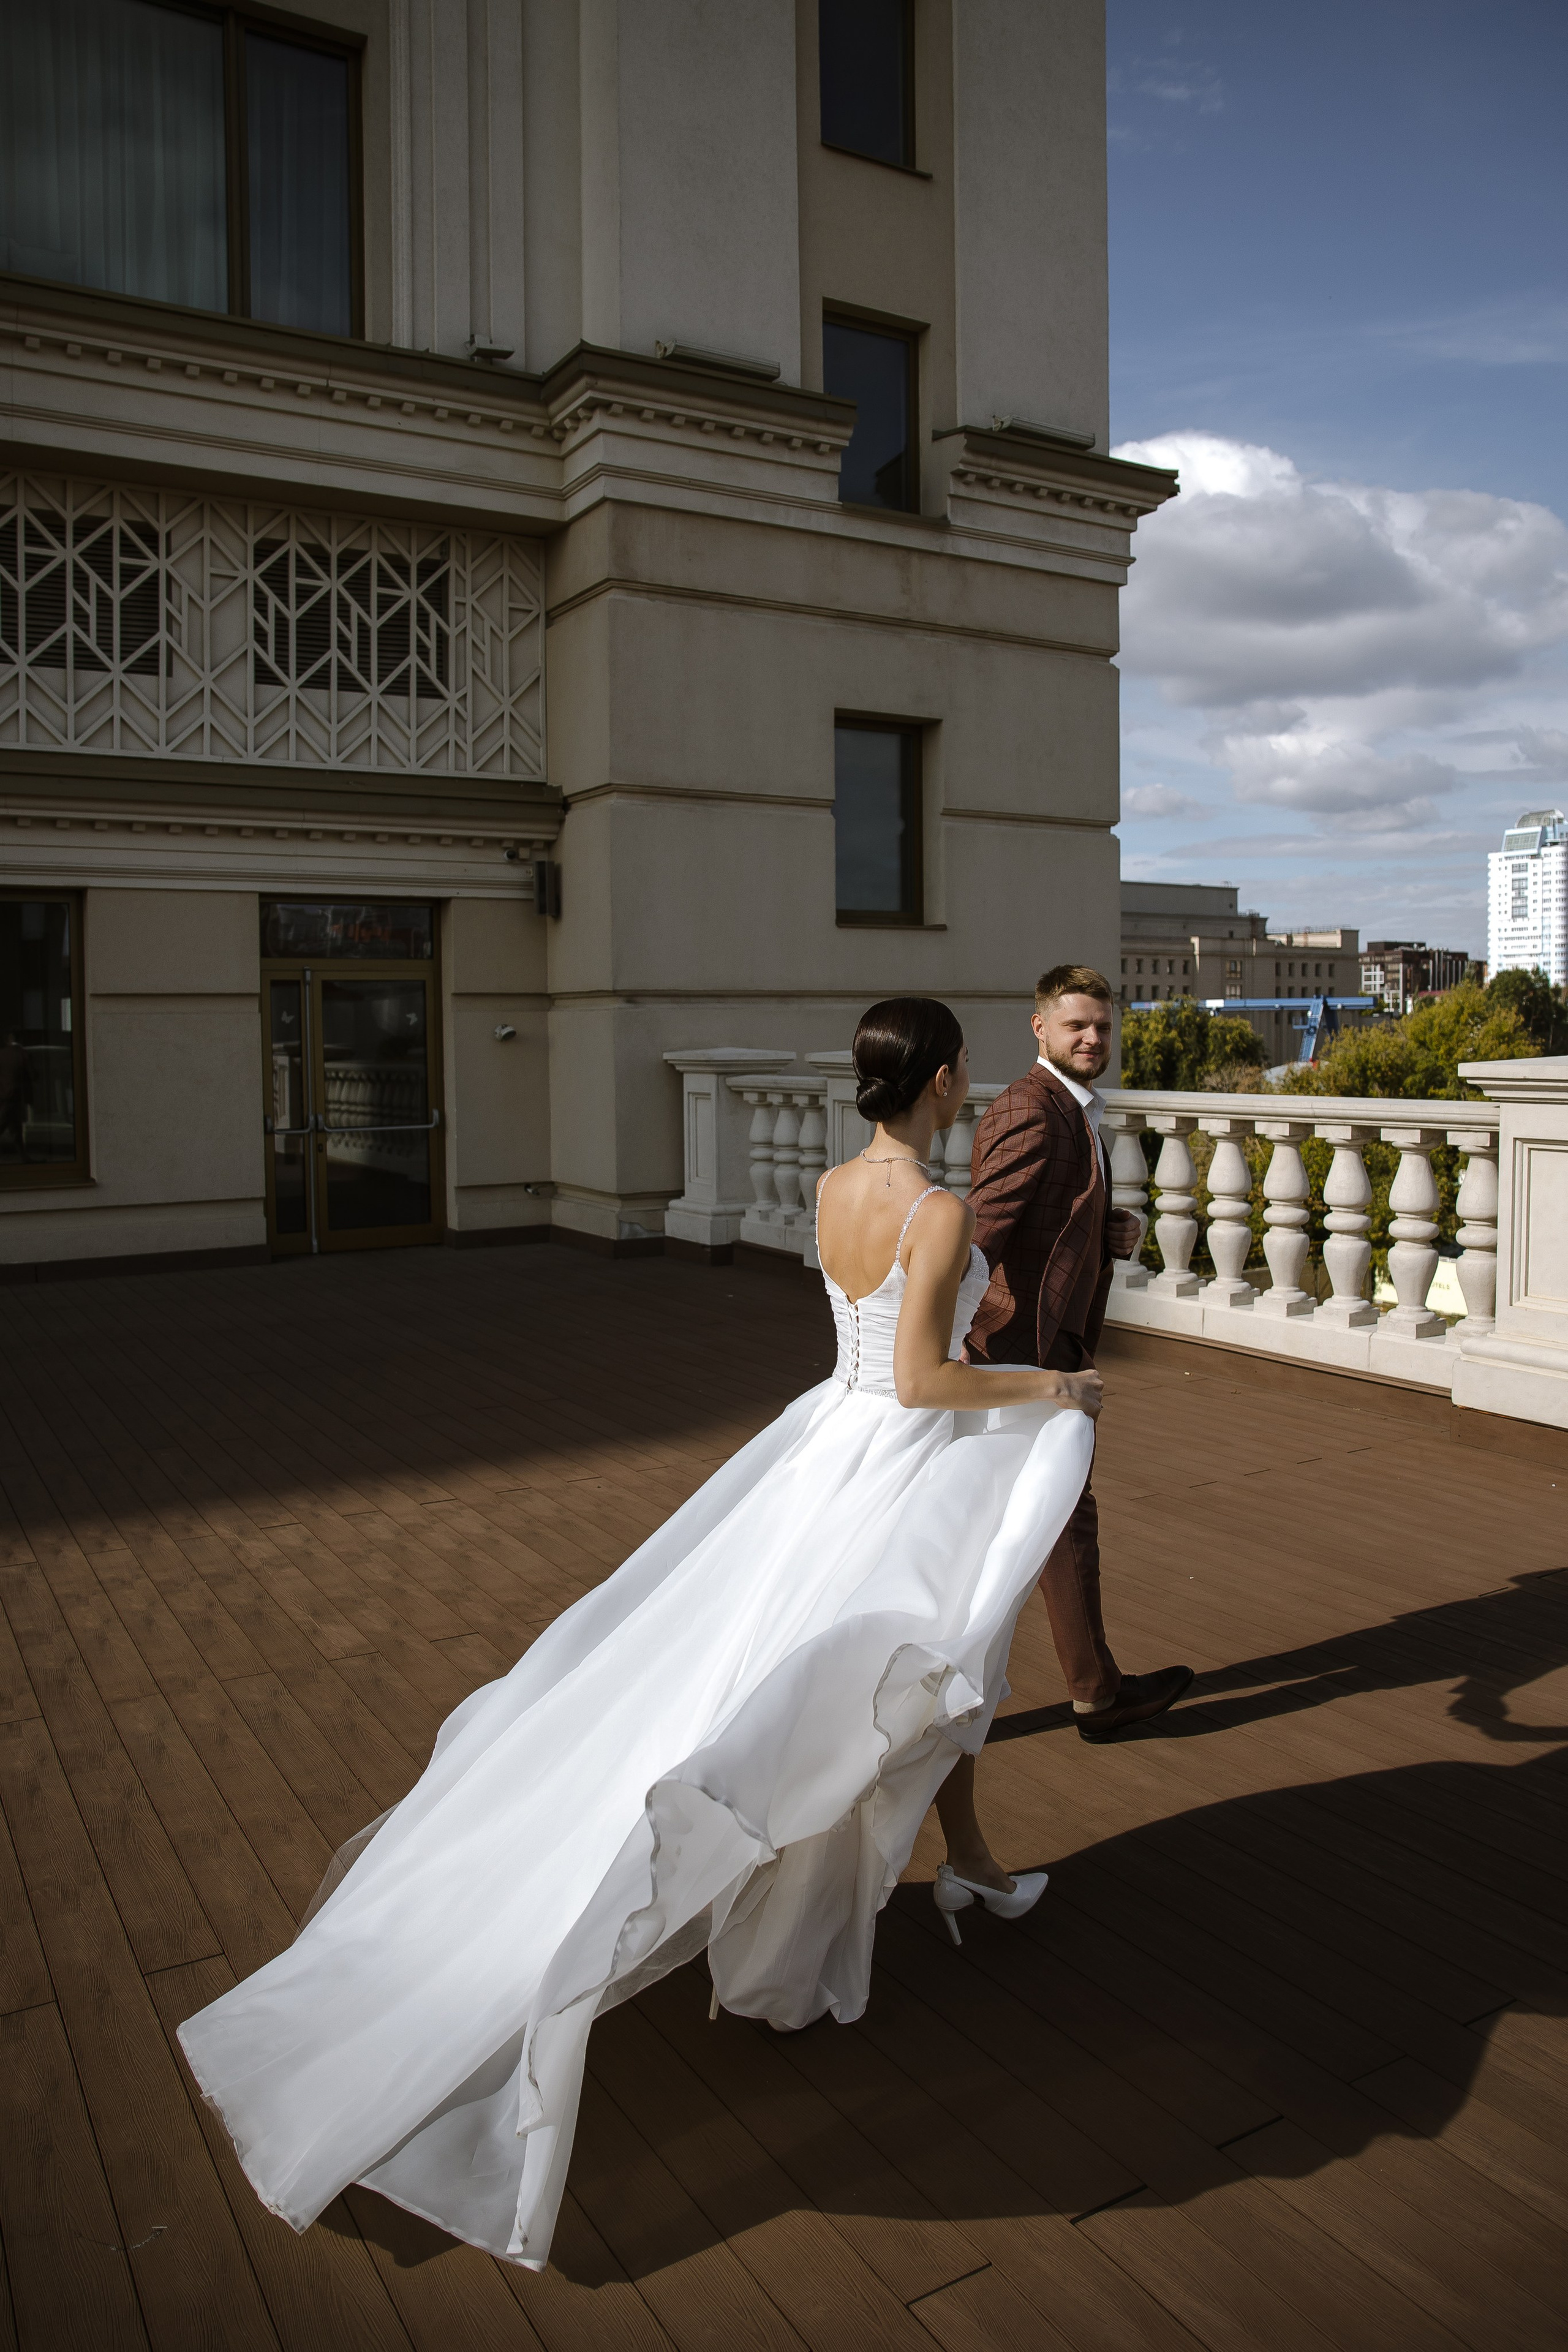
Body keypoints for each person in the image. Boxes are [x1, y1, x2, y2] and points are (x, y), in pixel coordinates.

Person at [179, 997, 1099, 2272]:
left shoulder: (836, 1189)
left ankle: (959, 1864)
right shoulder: (936, 1212)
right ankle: (821, 1929)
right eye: (961, 1080)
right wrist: (1051, 1384)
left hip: (818, 1446)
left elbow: (859, 1353)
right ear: (942, 1084)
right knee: (868, 1684)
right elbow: (924, 1377)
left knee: (881, 1676)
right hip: (886, 1458)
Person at [965, 965, 1194, 1741]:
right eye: (1076, 1026)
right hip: (1021, 1353)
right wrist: (955, 1354)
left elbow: (1041, 1220)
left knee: (1057, 1517)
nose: (1093, 1038)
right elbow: (972, 1240)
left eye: (1102, 1025)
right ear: (1040, 1029)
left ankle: (1092, 1689)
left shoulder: (1068, 1108)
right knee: (1040, 1519)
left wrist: (1106, 1233)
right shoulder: (1032, 1111)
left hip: (1041, 1347)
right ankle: (1078, 1693)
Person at [0, 1030, 31, 1161]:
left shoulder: (2, 1054)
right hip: (15, 1096)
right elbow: (32, 1074)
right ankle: (25, 1158)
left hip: (4, 1094)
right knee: (5, 1123)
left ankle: (24, 1158)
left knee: (16, 1128)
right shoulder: (22, 1054)